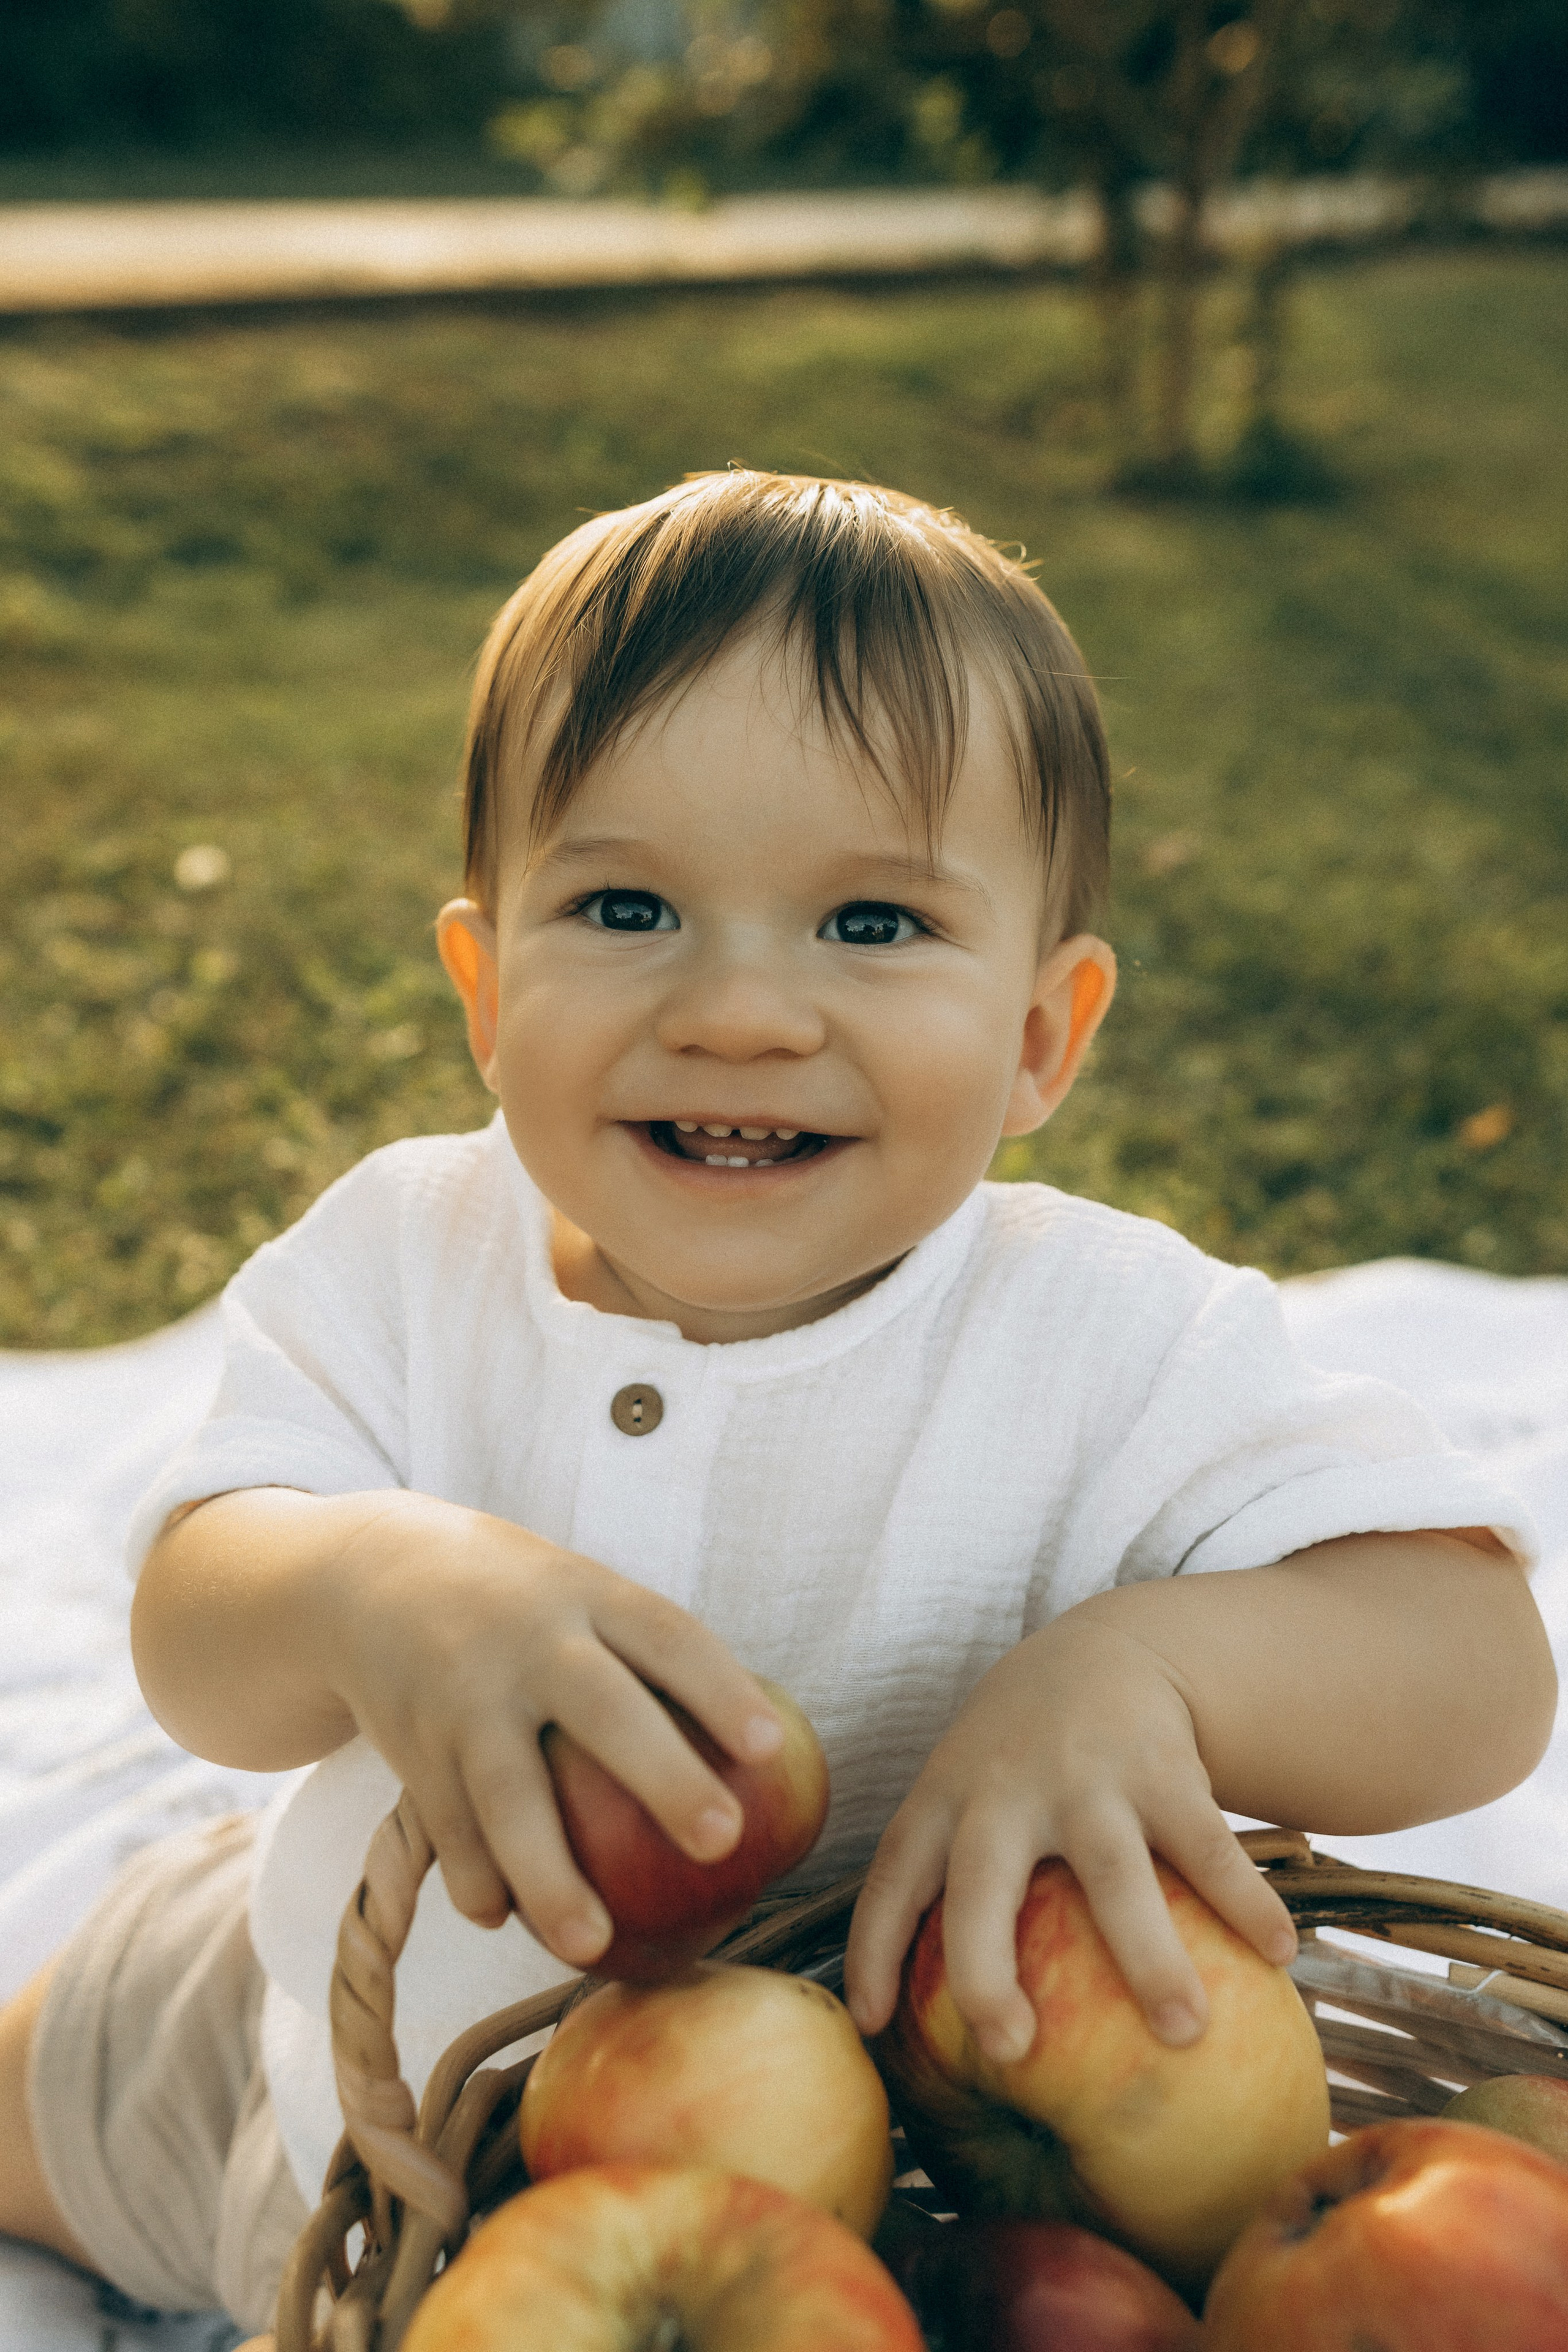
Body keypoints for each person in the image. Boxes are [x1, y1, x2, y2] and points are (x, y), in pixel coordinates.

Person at [0, 470, 1553, 2332]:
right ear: (486, 994)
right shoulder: (406, 1263)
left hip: (857, 2209)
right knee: (64, 2095)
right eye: (630, 905)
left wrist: (1145, 1668)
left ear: (1045, 1036)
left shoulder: (1113, 1336)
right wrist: (371, 1586)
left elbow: (1479, 1668)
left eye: (873, 927)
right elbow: (198, 1640)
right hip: (337, 2088)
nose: (741, 1010)